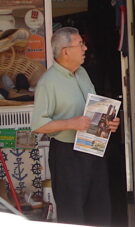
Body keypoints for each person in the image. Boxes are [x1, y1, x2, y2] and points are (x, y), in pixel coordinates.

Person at [31, 27, 120, 226]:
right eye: (80, 44)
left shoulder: (83, 73)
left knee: (99, 209)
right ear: (65, 51)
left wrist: (109, 121)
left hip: (92, 147)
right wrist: (71, 123)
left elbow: (94, 107)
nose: (85, 48)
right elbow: (38, 124)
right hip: (67, 155)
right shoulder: (48, 82)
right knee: (73, 215)